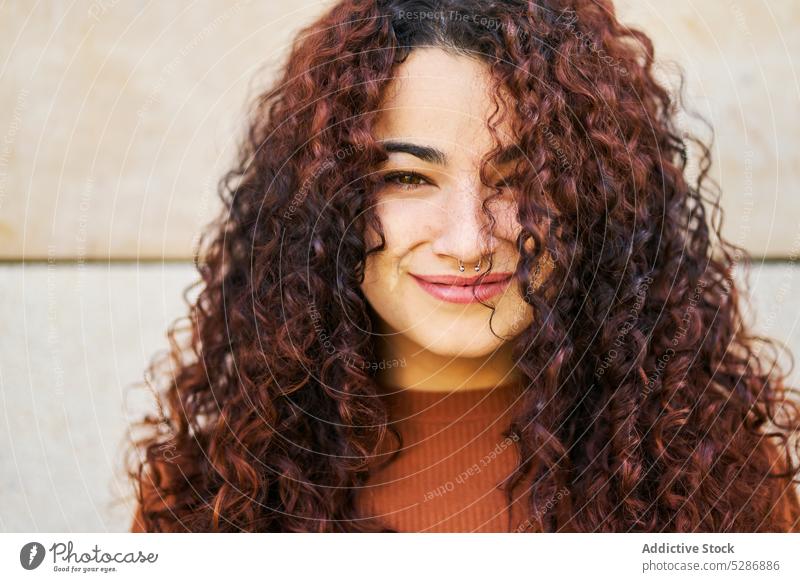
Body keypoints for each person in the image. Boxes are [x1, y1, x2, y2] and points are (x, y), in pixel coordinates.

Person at [129, 0, 800, 532]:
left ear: (595, 203)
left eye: (517, 180)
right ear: (325, 202)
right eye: (408, 178)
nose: (469, 240)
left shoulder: (714, 479)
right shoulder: (218, 496)